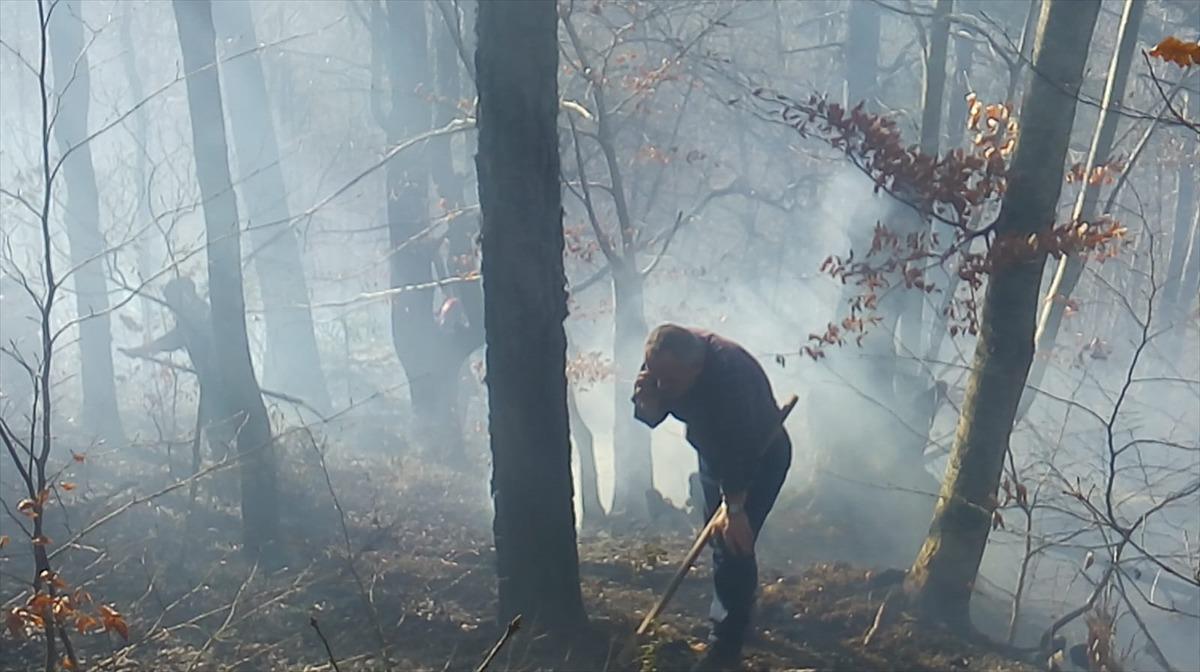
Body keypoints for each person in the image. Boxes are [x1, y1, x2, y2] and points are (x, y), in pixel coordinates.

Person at [631, 323, 792, 671]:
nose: (661, 384)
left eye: (669, 381)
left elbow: (740, 450)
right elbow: (652, 411)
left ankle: (725, 645)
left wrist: (734, 508)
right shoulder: (663, 360)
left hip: (759, 455)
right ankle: (741, 614)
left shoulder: (732, 376)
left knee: (731, 540)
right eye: (654, 375)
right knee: (726, 544)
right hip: (713, 454)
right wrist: (647, 402)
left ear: (696, 368)